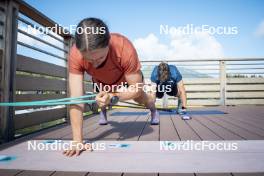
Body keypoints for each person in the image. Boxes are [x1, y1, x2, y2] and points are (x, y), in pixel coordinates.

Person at [63, 18, 159, 157]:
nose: (95, 64)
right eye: (89, 60)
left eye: (100, 58)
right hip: (103, 82)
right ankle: (104, 109)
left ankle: (152, 106)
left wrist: (114, 96)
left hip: (126, 80)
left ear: (108, 42)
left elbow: (136, 88)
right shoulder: (75, 54)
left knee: (141, 98)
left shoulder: (123, 46)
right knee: (102, 96)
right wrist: (77, 140)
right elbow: (76, 99)